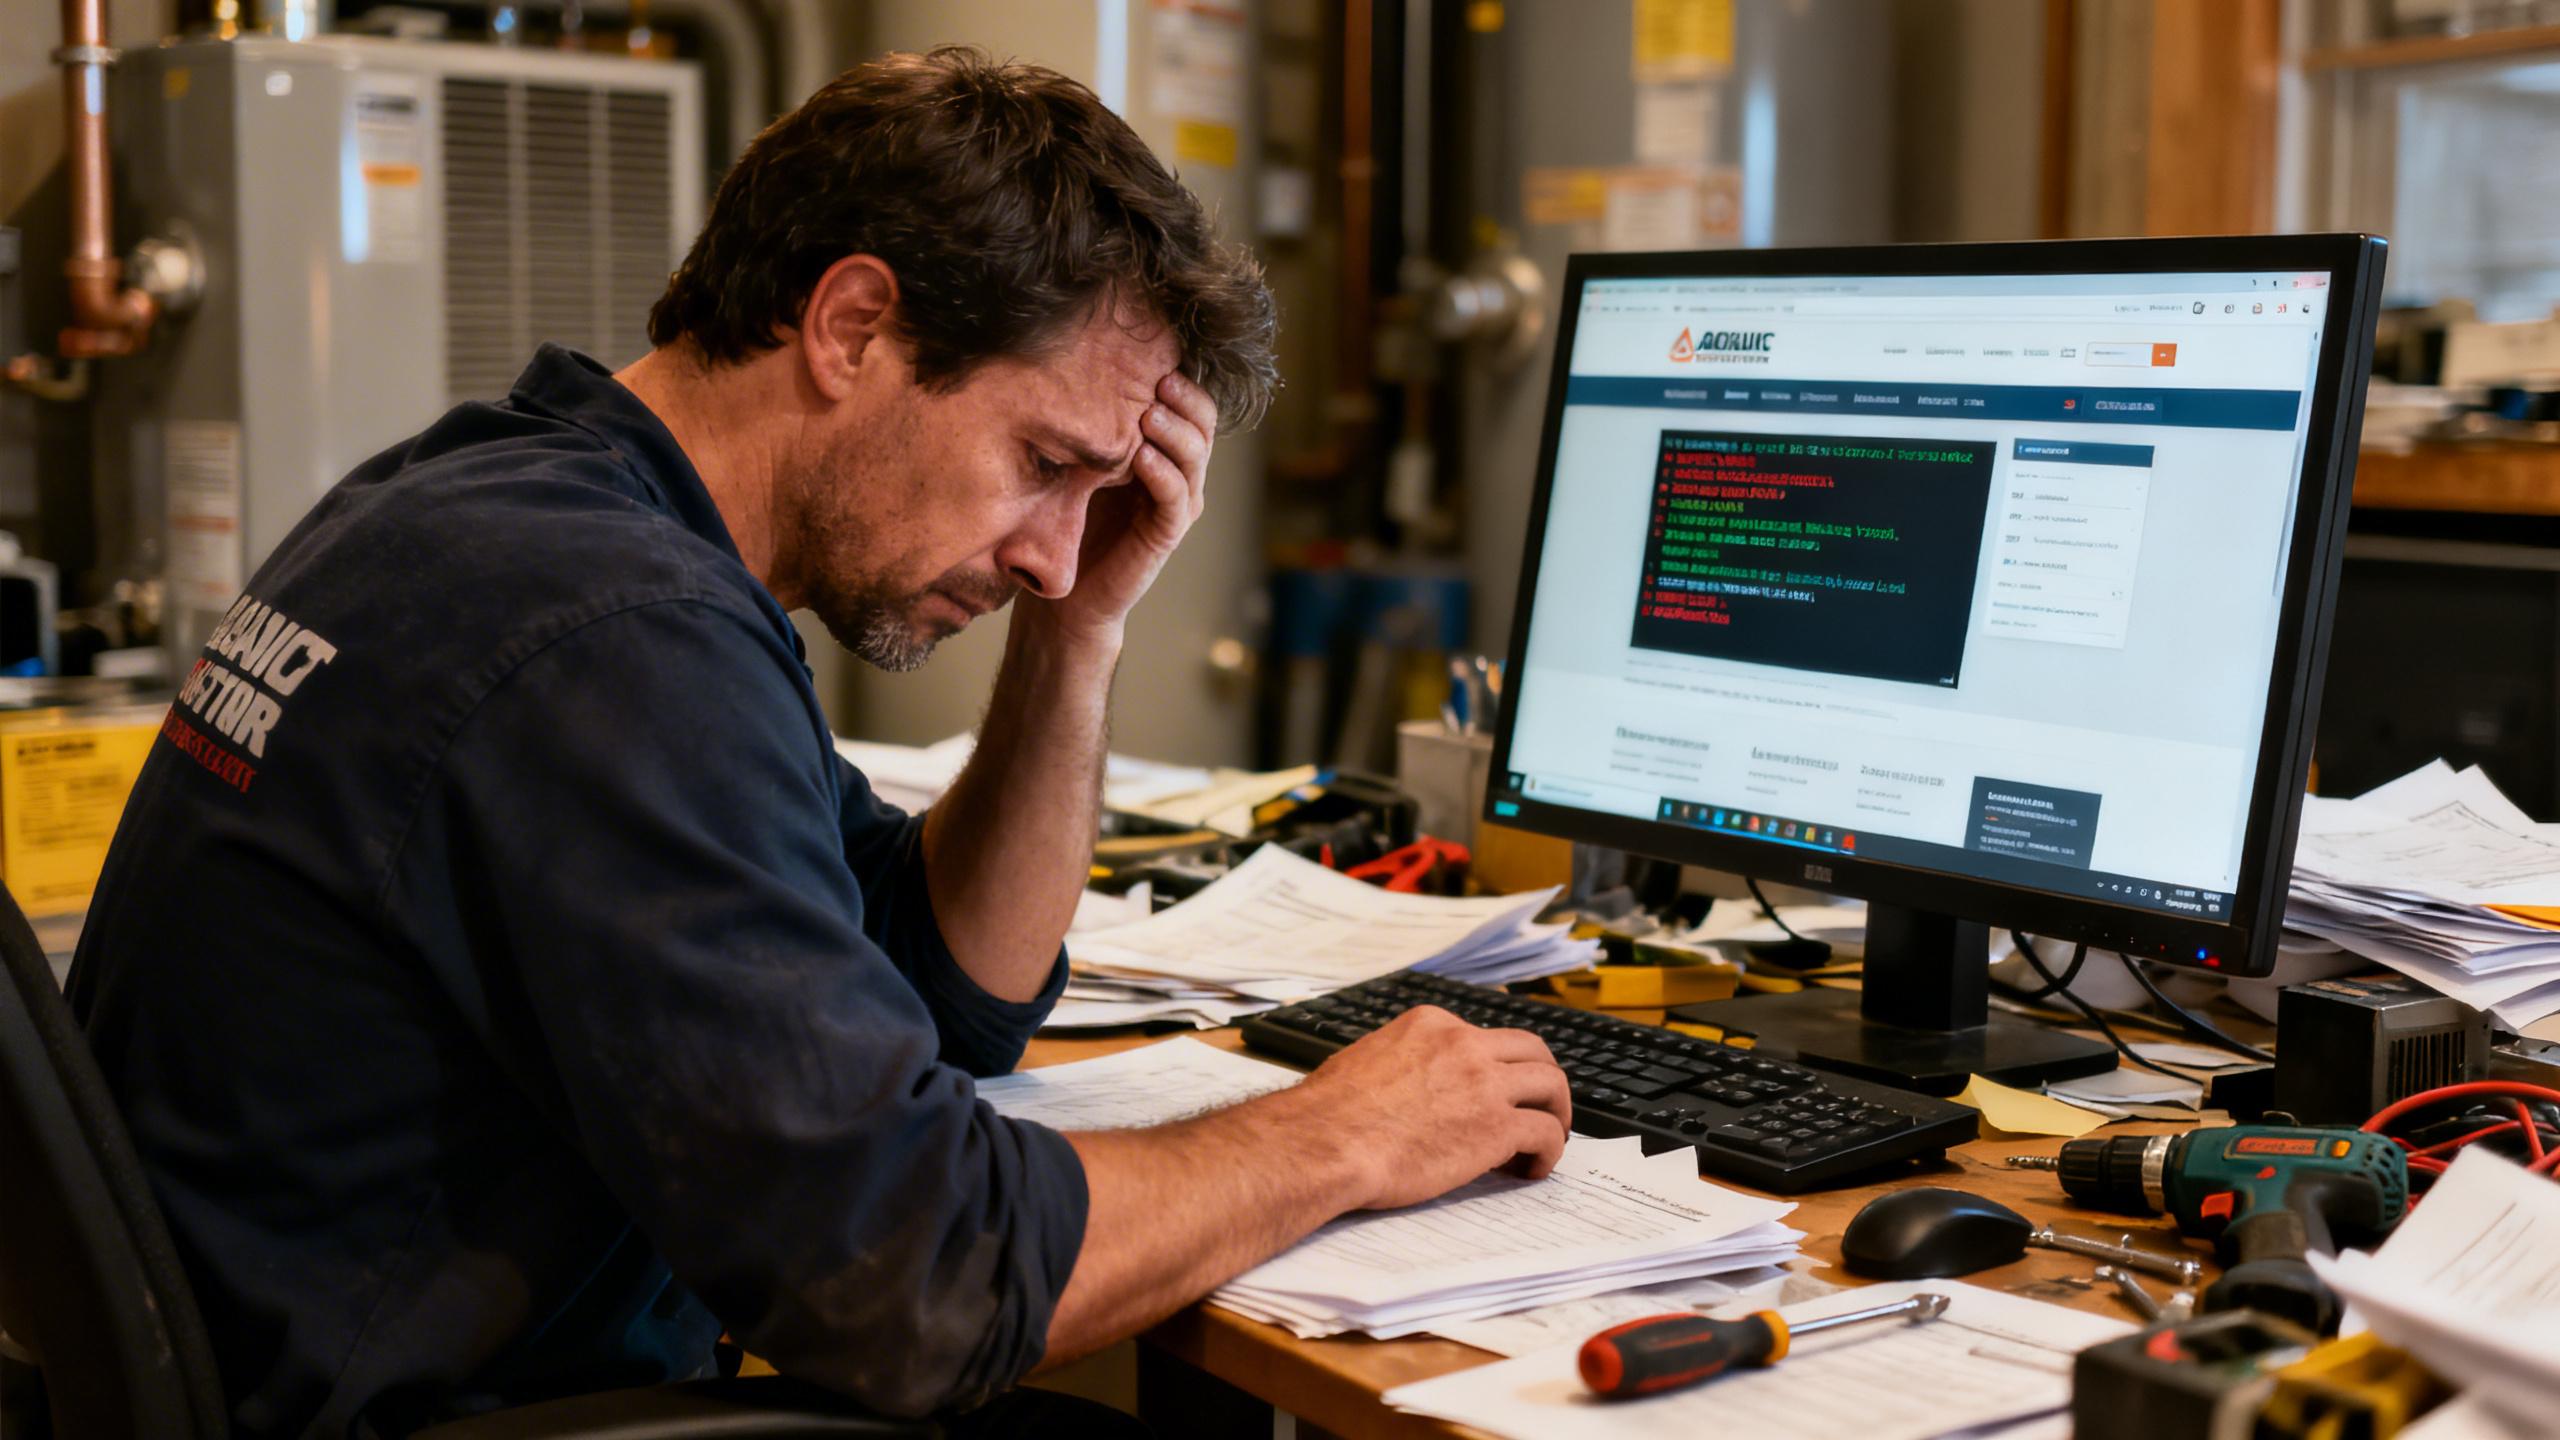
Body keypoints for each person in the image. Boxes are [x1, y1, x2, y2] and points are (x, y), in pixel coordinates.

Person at [67, 44, 1570, 1440]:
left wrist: (1079, 633)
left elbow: (953, 984)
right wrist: (1338, 1137)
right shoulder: (607, 634)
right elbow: (923, 1282)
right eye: (1043, 463)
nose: (1054, 549)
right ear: (855, 325)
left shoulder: (519, 513)